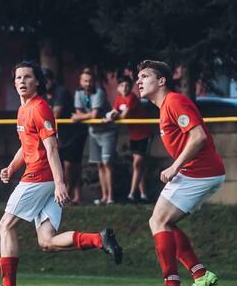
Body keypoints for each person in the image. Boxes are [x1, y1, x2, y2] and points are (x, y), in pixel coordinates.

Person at [0, 62, 123, 286]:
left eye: (27, 77)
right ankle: (100, 239)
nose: (22, 81)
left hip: (40, 176)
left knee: (5, 224)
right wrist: (11, 168)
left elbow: (52, 148)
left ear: (38, 82)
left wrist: (60, 184)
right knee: (47, 242)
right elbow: (26, 146)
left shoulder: (41, 108)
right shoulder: (24, 109)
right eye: (18, 78)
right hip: (45, 178)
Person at [136, 60, 224, 286]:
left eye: (145, 76)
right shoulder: (165, 107)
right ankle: (200, 275)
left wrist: (175, 166)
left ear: (162, 80)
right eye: (138, 77)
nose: (139, 81)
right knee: (164, 223)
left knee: (158, 220)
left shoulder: (174, 101)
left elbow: (198, 137)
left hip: (200, 171)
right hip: (199, 171)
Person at [104, 76, 154, 202]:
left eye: (127, 85)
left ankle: (131, 195)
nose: (124, 88)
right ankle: (143, 195)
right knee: (138, 164)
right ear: (118, 88)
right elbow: (113, 111)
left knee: (137, 163)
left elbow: (123, 115)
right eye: (122, 86)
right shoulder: (119, 99)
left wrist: (111, 118)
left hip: (144, 134)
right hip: (133, 135)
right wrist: (110, 116)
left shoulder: (132, 97)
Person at [72, 68, 117, 205]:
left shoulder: (99, 93)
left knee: (107, 164)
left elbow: (93, 115)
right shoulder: (78, 93)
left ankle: (110, 197)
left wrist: (79, 117)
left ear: (94, 82)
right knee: (99, 165)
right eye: (85, 80)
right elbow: (80, 112)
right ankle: (104, 196)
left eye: (90, 81)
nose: (88, 83)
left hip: (107, 131)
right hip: (93, 132)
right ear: (81, 81)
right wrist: (82, 116)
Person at [43, 68, 86, 205]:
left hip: (75, 133)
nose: (45, 83)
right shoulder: (43, 95)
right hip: (61, 135)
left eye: (47, 80)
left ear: (52, 80)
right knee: (69, 165)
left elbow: (55, 114)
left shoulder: (61, 91)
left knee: (70, 165)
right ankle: (74, 196)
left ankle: (68, 194)